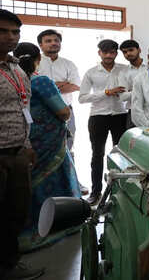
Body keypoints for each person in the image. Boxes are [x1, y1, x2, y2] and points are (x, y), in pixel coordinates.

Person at [14, 43, 82, 251]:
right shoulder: (41, 81)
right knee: (57, 178)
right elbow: (63, 112)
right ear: (38, 60)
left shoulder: (12, 80)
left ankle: (24, 231)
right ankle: (58, 225)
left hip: (24, 140)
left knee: (27, 182)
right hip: (50, 143)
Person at [0, 9, 44, 280]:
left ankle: (9, 264)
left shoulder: (17, 69)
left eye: (15, 32)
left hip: (18, 152)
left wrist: (27, 144)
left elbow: (23, 109)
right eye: (3, 31)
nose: (11, 37)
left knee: (15, 212)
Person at [35, 29, 87, 194]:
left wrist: (48, 85)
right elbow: (32, 85)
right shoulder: (36, 63)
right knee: (42, 148)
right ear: (41, 45)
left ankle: (72, 183)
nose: (53, 43)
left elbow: (76, 86)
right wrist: (62, 84)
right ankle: (42, 184)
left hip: (66, 111)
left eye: (56, 40)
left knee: (68, 148)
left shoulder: (68, 64)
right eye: (48, 41)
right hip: (41, 115)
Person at [79, 39, 128, 205]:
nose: (108, 55)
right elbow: (82, 98)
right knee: (97, 155)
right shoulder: (91, 72)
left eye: (112, 52)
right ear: (99, 53)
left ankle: (119, 192)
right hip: (98, 116)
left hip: (120, 115)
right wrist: (106, 92)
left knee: (121, 155)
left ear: (116, 53)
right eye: (105, 52)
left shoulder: (124, 69)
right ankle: (96, 192)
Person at [118, 39, 145, 129]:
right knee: (132, 137)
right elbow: (123, 97)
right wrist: (144, 90)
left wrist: (132, 91)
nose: (128, 53)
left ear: (139, 50)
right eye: (125, 52)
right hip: (133, 112)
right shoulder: (123, 72)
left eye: (131, 50)